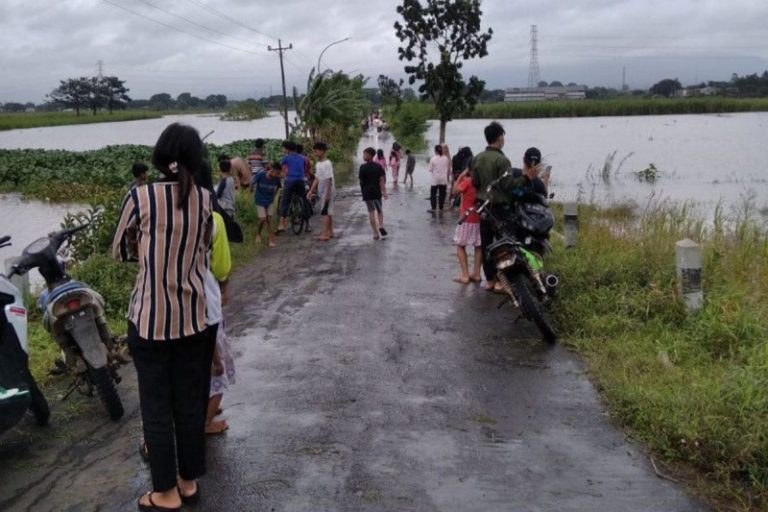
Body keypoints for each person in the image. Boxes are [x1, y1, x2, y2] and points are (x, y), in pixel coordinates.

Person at [112, 122, 213, 511]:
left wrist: (149, 254)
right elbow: (204, 247)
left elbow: (120, 250)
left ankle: (165, 493)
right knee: (188, 404)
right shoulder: (205, 199)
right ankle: (187, 481)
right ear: (195, 158)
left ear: (159, 157)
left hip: (150, 320)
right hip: (193, 318)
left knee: (156, 407)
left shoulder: (141, 196)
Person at [471, 121, 515, 292]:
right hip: (499, 208)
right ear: (499, 138)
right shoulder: (502, 160)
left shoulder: (477, 158)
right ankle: (501, 281)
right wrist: (525, 179)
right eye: (502, 136)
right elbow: (508, 185)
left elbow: (475, 182)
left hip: (483, 207)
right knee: (504, 243)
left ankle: (489, 280)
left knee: (486, 243)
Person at [451, 168, 482, 284]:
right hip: (479, 218)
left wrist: (459, 177)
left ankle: (465, 275)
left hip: (466, 218)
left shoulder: (468, 181)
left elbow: (454, 192)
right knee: (478, 246)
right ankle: (477, 273)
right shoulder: (483, 182)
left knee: (460, 245)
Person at [277, 140, 309, 233]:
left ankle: (281, 223)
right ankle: (308, 224)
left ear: (287, 149)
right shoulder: (302, 158)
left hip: (290, 180)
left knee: (284, 200)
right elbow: (304, 168)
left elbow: (279, 167)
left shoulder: (286, 158)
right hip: (300, 180)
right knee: (304, 200)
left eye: (283, 148)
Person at [307, 142, 335, 241]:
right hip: (322, 191)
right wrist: (311, 190)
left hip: (327, 191)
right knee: (328, 211)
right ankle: (330, 231)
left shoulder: (327, 163)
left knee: (324, 212)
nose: (315, 154)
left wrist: (327, 194)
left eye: (316, 151)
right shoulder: (318, 164)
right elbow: (317, 178)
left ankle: (325, 233)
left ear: (322, 151)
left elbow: (329, 179)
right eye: (314, 152)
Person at [359, 147, 388, 240]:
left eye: (364, 154)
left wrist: (363, 191)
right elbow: (382, 180)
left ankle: (375, 233)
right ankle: (381, 225)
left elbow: (361, 181)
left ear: (369, 155)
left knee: (371, 212)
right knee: (379, 211)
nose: (363, 156)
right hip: (376, 192)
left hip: (367, 193)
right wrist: (384, 192)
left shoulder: (362, 167)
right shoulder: (378, 166)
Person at [253, 161, 282, 248]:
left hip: (269, 201)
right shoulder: (260, 175)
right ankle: (258, 234)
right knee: (262, 219)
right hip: (260, 200)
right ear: (272, 170)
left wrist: (274, 195)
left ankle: (271, 240)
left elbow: (278, 187)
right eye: (277, 173)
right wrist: (250, 190)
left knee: (269, 220)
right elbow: (252, 183)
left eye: (278, 173)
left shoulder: (277, 179)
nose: (277, 175)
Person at [427, 144, 451, 213]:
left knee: (433, 194)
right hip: (443, 179)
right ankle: (441, 208)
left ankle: (433, 208)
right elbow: (448, 168)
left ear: (435, 151)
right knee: (442, 194)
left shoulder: (433, 158)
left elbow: (430, 169)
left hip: (435, 179)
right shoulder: (446, 158)